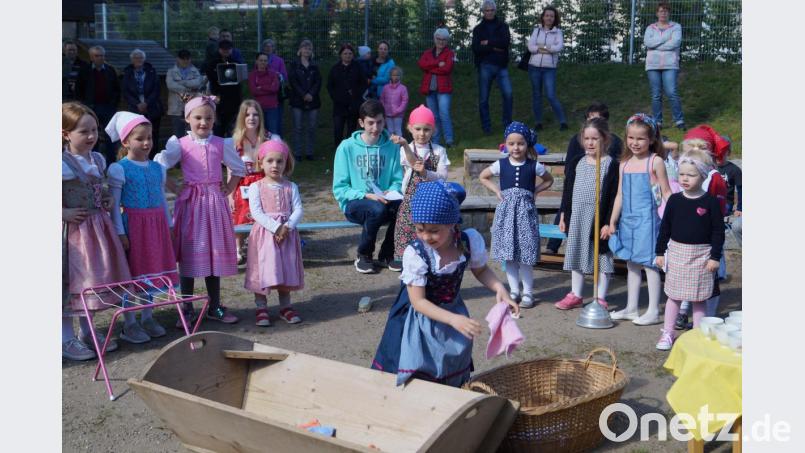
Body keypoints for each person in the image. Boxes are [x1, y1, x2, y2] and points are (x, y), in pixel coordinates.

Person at [371, 181, 520, 387]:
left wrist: (500, 288)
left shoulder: (468, 241)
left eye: (433, 230)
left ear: (451, 224)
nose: (426, 236)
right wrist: (453, 320)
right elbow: (418, 302)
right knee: (420, 369)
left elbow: (481, 270)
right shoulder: (416, 253)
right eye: (420, 229)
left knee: (450, 364)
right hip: (418, 320)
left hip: (452, 312)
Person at [154, 96, 247, 325]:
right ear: (187, 118)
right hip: (192, 203)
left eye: (208, 117)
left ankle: (214, 305)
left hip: (214, 203)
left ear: (214, 119)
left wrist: (230, 186)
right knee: (189, 254)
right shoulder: (181, 143)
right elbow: (160, 165)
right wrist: (175, 187)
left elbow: (238, 167)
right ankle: (187, 308)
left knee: (212, 254)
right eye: (198, 117)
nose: (203, 122)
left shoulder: (220, 143)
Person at [62, 102, 130, 360]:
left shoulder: (97, 159)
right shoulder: (61, 163)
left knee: (91, 282)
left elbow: (97, 187)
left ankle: (86, 331)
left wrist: (105, 198)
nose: (91, 136)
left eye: (94, 130)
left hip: (96, 229)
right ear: (65, 133)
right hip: (72, 234)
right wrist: (62, 213)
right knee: (70, 284)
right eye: (83, 131)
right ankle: (64, 338)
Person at [105, 112, 174, 344]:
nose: (146, 143)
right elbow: (115, 206)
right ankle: (130, 323)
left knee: (151, 271)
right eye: (139, 139)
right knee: (133, 273)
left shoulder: (157, 168)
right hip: (134, 227)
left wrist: (169, 223)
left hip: (156, 227)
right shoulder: (119, 168)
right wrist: (120, 232)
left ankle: (147, 316)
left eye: (150, 138)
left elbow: (163, 199)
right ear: (125, 142)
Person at [655, 149, 725, 350]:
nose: (685, 178)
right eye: (682, 174)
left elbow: (718, 232)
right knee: (673, 296)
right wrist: (660, 252)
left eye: (691, 175)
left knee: (699, 297)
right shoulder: (675, 200)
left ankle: (697, 335)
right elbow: (665, 227)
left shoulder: (710, 202)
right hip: (677, 253)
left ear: (703, 176)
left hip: (702, 256)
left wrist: (715, 257)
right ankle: (668, 333)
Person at [480, 122, 554, 309]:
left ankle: (528, 292)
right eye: (511, 143)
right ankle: (514, 290)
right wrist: (496, 190)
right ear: (505, 144)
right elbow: (483, 176)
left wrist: (535, 191)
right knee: (509, 255)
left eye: (520, 143)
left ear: (527, 145)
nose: (516, 147)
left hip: (526, 215)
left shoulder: (534, 165)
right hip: (506, 215)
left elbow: (549, 180)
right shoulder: (500, 164)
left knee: (526, 255)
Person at [608, 114, 672, 325]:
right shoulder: (624, 164)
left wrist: (677, 216)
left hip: (648, 222)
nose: (635, 143)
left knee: (651, 264)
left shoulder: (656, 161)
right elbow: (620, 195)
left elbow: (666, 192)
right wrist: (612, 221)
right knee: (632, 264)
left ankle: (653, 310)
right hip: (628, 221)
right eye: (631, 138)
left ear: (652, 139)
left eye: (641, 138)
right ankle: (632, 308)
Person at [553, 117, 620, 310]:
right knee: (576, 252)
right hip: (578, 215)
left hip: (598, 217)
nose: (590, 142)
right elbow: (568, 190)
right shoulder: (577, 162)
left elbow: (614, 195)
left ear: (605, 139)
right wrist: (564, 214)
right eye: (586, 138)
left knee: (601, 255)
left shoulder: (611, 165)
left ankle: (600, 297)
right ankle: (576, 293)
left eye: (595, 138)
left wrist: (608, 222)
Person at [332, 99, 403, 274]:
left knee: (405, 206)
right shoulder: (346, 147)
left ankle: (388, 254)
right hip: (355, 202)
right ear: (361, 122)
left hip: (385, 200)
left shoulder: (392, 147)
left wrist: (392, 190)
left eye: (379, 122)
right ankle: (364, 255)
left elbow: (398, 180)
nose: (375, 128)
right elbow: (340, 188)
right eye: (370, 123)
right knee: (376, 209)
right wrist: (366, 195)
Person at [547, 102, 622, 254]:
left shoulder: (615, 142)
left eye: (598, 118)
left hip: (601, 188)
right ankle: (552, 245)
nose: (590, 142)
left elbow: (616, 165)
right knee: (566, 207)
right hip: (580, 182)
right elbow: (570, 165)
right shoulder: (576, 140)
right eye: (590, 118)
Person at [245, 140, 304, 327]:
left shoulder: (290, 186)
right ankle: (261, 306)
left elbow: (298, 209)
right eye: (270, 161)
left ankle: (285, 306)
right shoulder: (256, 187)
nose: (275, 165)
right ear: (261, 162)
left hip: (287, 235)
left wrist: (287, 226)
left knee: (284, 268)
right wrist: (275, 227)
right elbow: (256, 212)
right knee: (265, 269)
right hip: (265, 236)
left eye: (279, 161)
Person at [391, 105, 450, 270]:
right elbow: (412, 161)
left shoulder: (439, 151)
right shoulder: (405, 150)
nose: (422, 134)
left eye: (426, 129)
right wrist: (404, 145)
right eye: (418, 129)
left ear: (434, 130)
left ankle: (433, 264)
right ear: (409, 128)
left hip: (432, 203)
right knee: (407, 233)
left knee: (430, 235)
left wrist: (426, 173)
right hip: (410, 201)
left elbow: (442, 176)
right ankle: (407, 266)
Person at [229, 100, 281, 264]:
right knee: (241, 205)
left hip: (265, 181)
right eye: (248, 114)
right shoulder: (234, 142)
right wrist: (229, 194)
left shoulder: (270, 138)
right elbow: (230, 169)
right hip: (242, 183)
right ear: (242, 118)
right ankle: (238, 247)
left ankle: (266, 244)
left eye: (256, 114)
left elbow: (279, 165)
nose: (252, 118)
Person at [471, 0, 513, 135]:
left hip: (502, 66)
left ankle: (507, 124)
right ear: (483, 12)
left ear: (495, 11)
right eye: (486, 10)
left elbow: (505, 43)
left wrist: (488, 43)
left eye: (491, 10)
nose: (489, 12)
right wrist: (495, 46)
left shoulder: (503, 26)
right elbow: (476, 49)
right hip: (485, 66)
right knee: (483, 99)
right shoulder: (478, 29)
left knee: (508, 94)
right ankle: (486, 127)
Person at [76, 45, 121, 164]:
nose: (100, 58)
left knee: (110, 136)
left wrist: (113, 105)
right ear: (91, 57)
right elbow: (79, 90)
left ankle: (111, 164)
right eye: (97, 56)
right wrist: (84, 107)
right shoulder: (85, 70)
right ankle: (93, 163)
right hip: (91, 108)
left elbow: (117, 89)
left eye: (102, 55)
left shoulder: (110, 70)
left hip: (107, 108)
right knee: (91, 136)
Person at [526, 5, 568, 131]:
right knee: (537, 95)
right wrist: (545, 49)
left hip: (550, 68)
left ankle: (563, 122)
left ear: (555, 18)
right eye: (547, 15)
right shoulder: (536, 30)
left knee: (550, 95)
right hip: (534, 67)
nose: (549, 18)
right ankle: (538, 122)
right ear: (543, 17)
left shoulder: (558, 32)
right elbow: (531, 46)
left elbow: (558, 47)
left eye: (551, 16)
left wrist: (543, 48)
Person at [644, 1, 685, 130]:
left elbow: (675, 43)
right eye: (661, 11)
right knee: (656, 94)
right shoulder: (650, 28)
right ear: (657, 13)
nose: (663, 13)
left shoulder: (676, 27)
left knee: (672, 92)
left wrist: (656, 45)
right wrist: (665, 39)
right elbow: (647, 43)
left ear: (669, 13)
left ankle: (679, 120)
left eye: (666, 11)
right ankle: (657, 122)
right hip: (652, 65)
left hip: (670, 64)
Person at [418, 27, 455, 147]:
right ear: (435, 39)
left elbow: (447, 69)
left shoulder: (450, 53)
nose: (441, 42)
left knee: (444, 114)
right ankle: (435, 141)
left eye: (444, 39)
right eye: (439, 39)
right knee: (434, 116)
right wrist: (437, 64)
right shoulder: (428, 53)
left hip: (444, 90)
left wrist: (430, 69)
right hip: (430, 89)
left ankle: (449, 140)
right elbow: (422, 64)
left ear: (447, 41)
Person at [122, 49, 164, 156]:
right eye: (136, 57)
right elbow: (125, 92)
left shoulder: (151, 71)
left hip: (152, 108)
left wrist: (146, 103)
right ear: (132, 60)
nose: (138, 60)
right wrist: (137, 104)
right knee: (137, 134)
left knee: (153, 134)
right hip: (135, 108)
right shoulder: (127, 73)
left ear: (144, 59)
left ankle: (153, 158)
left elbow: (156, 90)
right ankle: (137, 156)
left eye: (140, 57)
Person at [327, 44, 368, 147]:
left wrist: (356, 93)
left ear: (353, 55)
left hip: (354, 103)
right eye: (345, 53)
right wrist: (336, 97)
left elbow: (364, 83)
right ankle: (338, 148)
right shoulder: (335, 68)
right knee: (338, 128)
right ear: (341, 55)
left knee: (351, 128)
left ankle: (350, 148)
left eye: (350, 53)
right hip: (339, 104)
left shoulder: (358, 67)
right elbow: (330, 86)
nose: (348, 55)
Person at [288, 39, 322, 161]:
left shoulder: (315, 65)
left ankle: (309, 152)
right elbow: (293, 81)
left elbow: (318, 82)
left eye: (309, 48)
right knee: (298, 127)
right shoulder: (294, 64)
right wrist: (303, 94)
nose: (307, 50)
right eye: (305, 48)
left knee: (311, 127)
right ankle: (297, 153)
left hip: (313, 100)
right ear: (300, 50)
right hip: (297, 100)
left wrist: (311, 94)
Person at [166, 49, 207, 140]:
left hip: (193, 108)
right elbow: (170, 85)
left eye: (187, 58)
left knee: (192, 134)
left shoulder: (195, 71)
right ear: (177, 59)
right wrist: (188, 87)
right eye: (182, 58)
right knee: (178, 134)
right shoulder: (171, 71)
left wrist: (181, 82)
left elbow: (197, 83)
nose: (185, 60)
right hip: (176, 108)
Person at [205, 40, 243, 137]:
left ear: (231, 50)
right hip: (218, 100)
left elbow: (240, 80)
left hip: (233, 100)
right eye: (223, 49)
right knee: (218, 129)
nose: (226, 51)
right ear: (219, 49)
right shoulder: (212, 63)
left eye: (228, 49)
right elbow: (211, 77)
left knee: (233, 129)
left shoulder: (236, 63)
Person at [248, 52, 281, 135]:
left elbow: (275, 88)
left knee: (273, 132)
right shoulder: (252, 75)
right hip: (258, 108)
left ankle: (273, 148)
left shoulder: (273, 74)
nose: (263, 62)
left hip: (272, 108)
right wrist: (268, 88)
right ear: (256, 61)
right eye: (261, 60)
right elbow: (254, 91)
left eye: (265, 60)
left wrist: (261, 87)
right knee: (259, 132)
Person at [262, 38, 289, 135]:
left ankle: (277, 146)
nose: (268, 48)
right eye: (266, 46)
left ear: (274, 48)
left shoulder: (279, 60)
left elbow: (284, 76)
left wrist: (275, 75)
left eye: (271, 46)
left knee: (276, 123)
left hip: (276, 96)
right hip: (262, 96)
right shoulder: (260, 59)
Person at [380, 67, 408, 136]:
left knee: (397, 130)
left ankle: (399, 146)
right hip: (387, 113)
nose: (395, 77)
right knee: (390, 130)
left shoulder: (403, 88)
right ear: (390, 76)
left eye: (397, 75)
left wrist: (398, 110)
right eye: (393, 75)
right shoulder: (385, 87)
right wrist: (384, 108)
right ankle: (391, 145)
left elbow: (405, 101)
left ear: (400, 76)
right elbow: (382, 98)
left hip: (398, 114)